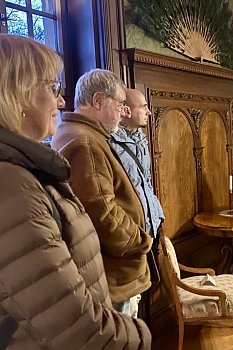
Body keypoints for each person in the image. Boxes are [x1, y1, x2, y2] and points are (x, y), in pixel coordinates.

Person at [0, 34, 151, 349]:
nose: (59, 100)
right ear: (17, 95)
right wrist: (142, 336)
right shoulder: (14, 182)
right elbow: (71, 321)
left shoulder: (30, 164)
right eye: (51, 88)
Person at [51, 69, 153, 319]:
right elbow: (102, 212)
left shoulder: (79, 133)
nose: (122, 111)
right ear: (98, 101)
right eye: (119, 104)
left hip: (110, 271)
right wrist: (141, 241)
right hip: (115, 274)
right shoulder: (85, 142)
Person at [110, 88, 164, 239]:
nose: (149, 112)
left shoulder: (141, 139)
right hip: (132, 232)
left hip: (151, 226)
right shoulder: (111, 144)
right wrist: (131, 234)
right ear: (127, 110)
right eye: (143, 107)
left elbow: (146, 183)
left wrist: (158, 217)